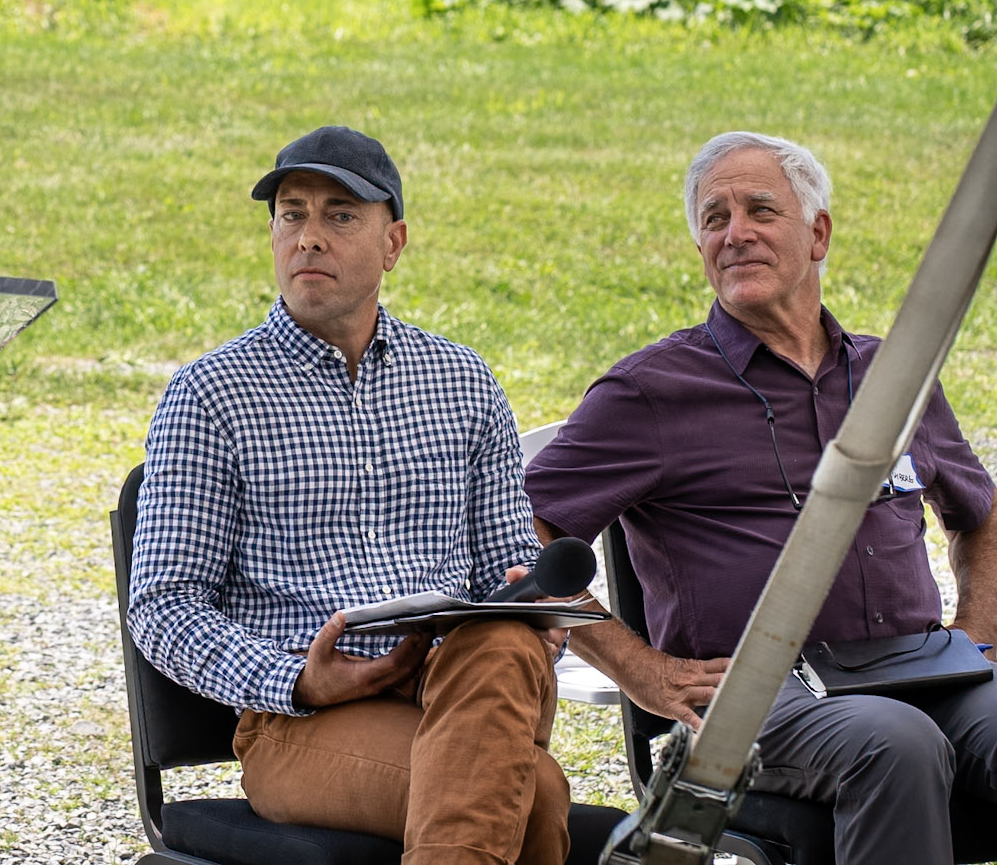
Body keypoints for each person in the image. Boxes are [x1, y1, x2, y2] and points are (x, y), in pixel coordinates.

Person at [525, 130, 997, 865]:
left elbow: (981, 513)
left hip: (922, 665)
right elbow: (517, 532)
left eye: (760, 210)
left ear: (818, 233)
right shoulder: (650, 392)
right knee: (896, 745)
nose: (735, 232)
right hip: (755, 697)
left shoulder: (894, 374)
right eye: (714, 218)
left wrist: (977, 629)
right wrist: (638, 669)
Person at [128, 126, 573, 865]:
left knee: (499, 637)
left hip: (455, 688)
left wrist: (531, 601)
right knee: (539, 796)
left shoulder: (462, 381)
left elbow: (507, 563)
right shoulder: (211, 394)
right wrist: (297, 678)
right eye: (291, 213)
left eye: (340, 215)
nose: (308, 237)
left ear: (393, 242)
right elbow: (163, 604)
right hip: (298, 721)